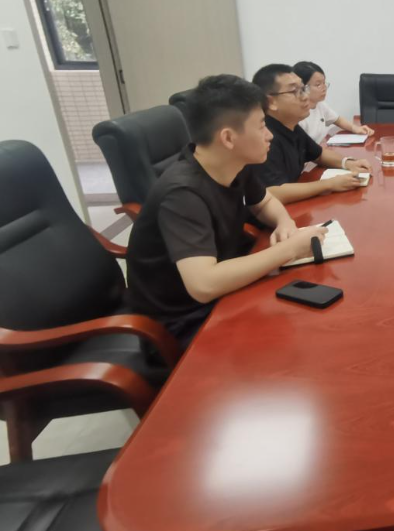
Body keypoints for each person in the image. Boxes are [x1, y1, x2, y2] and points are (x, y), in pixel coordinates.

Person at [125, 74, 329, 347]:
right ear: (229, 138)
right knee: (300, 339)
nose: (269, 134)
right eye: (261, 126)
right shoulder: (182, 194)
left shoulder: (231, 163)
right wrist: (289, 249)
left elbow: (264, 202)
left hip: (226, 290)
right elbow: (203, 285)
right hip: (185, 322)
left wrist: (284, 223)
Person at [251, 63, 372, 203]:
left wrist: (348, 163)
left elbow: (319, 154)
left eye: (303, 89)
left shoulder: (291, 126)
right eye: (294, 91)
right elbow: (273, 192)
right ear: (270, 102)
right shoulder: (264, 136)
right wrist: (329, 184)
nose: (305, 97)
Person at [293, 61, 374, 144]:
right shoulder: (297, 115)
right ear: (303, 88)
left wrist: (355, 128)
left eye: (324, 83)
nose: (324, 88)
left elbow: (338, 120)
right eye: (318, 84)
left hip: (321, 147)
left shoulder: (320, 105)